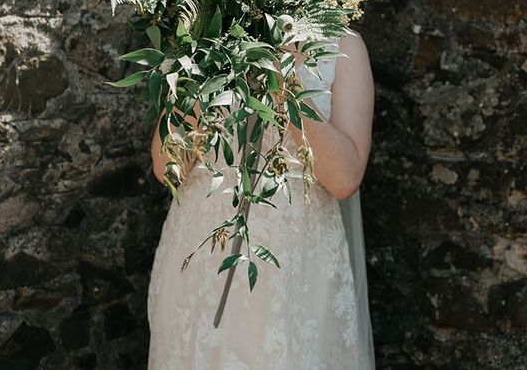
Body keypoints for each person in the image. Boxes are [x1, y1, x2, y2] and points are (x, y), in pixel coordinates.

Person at [146, 28, 376, 369]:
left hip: (295, 259)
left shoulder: (342, 45)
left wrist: (285, 83)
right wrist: (205, 74)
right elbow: (169, 169)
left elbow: (344, 179)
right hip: (202, 251)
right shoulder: (202, 37)